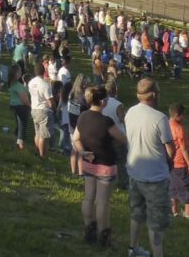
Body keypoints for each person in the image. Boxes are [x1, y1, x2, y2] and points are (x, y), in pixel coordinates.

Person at [126, 78, 174, 257]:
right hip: (155, 177)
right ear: (153, 94)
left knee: (136, 213)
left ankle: (133, 248)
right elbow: (170, 149)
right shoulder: (160, 118)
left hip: (134, 172)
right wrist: (169, 163)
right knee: (156, 223)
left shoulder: (130, 112)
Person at [73, 84, 126, 247]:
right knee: (102, 202)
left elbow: (75, 138)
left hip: (89, 162)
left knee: (88, 198)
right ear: (103, 102)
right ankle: (104, 237)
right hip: (106, 165)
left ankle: (89, 230)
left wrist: (82, 152)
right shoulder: (106, 121)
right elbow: (123, 139)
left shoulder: (82, 116)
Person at [168, 104, 189, 220]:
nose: (184, 117)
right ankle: (188, 216)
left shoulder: (166, 124)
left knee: (173, 189)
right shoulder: (179, 128)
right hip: (180, 163)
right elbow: (183, 149)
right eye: (182, 115)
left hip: (170, 163)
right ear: (176, 115)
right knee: (187, 191)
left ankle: (174, 213)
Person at [28, 64, 56, 160]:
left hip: (34, 108)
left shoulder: (31, 82)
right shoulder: (45, 84)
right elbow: (50, 100)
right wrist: (54, 108)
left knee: (37, 133)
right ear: (44, 71)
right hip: (43, 110)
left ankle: (37, 151)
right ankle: (42, 155)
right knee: (44, 135)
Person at [7, 65, 32, 152]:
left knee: (19, 125)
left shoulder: (13, 83)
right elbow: (23, 98)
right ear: (16, 73)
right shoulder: (17, 85)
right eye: (20, 71)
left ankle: (16, 143)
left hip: (15, 105)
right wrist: (30, 106)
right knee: (22, 126)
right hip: (21, 106)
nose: (21, 72)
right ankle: (21, 146)